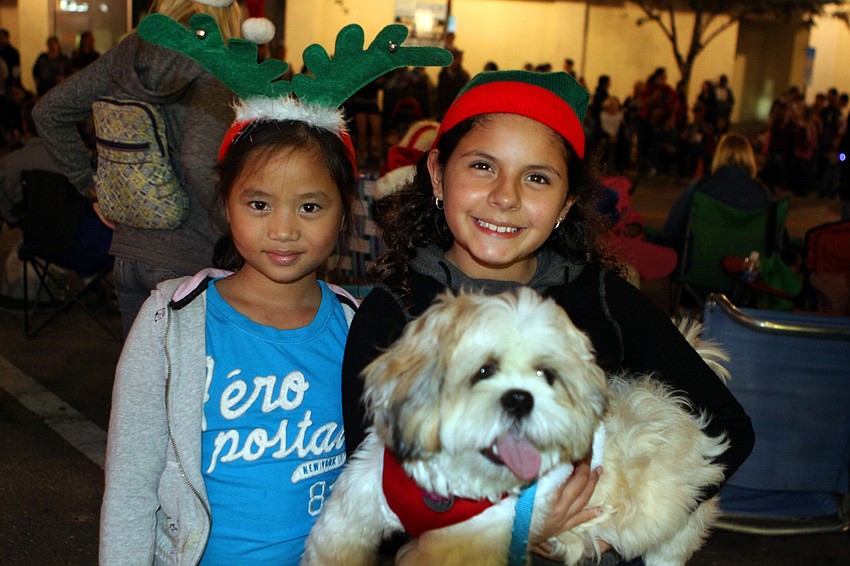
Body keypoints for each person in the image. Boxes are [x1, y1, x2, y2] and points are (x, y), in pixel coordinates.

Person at [341, 70, 754, 565]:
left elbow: (730, 428)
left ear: (567, 202)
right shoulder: (396, 314)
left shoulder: (603, 300)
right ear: (436, 173)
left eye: (537, 177)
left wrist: (623, 533)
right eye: (482, 166)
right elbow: (370, 507)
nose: (506, 196)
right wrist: (518, 527)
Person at [99, 116, 359, 564]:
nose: (283, 229)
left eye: (310, 208)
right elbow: (130, 489)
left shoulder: (355, 326)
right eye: (259, 204)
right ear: (226, 204)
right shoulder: (170, 322)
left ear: (344, 211)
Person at [34, 0, 244, 338]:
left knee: (143, 383)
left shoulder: (130, 53)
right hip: (192, 259)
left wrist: (92, 187)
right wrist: (238, 224)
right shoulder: (214, 57)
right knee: (193, 386)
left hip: (128, 256)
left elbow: (48, 111)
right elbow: (198, 159)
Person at [663, 131, 774, 242]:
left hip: (703, 257)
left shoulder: (699, 188)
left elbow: (672, 228)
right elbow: (774, 237)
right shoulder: (763, 194)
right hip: (747, 257)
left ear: (718, 155)